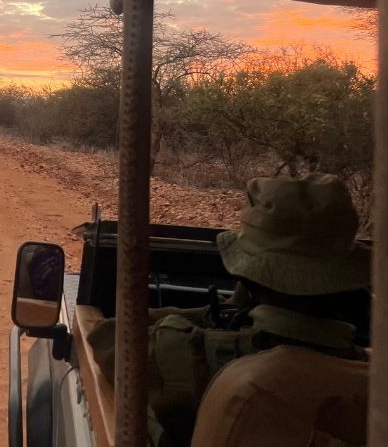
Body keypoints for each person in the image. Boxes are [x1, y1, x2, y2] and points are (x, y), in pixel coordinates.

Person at [88, 173, 371, 447]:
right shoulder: (376, 380)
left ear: (247, 278)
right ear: (345, 278)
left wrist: (226, 311)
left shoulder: (194, 355)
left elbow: (108, 336)